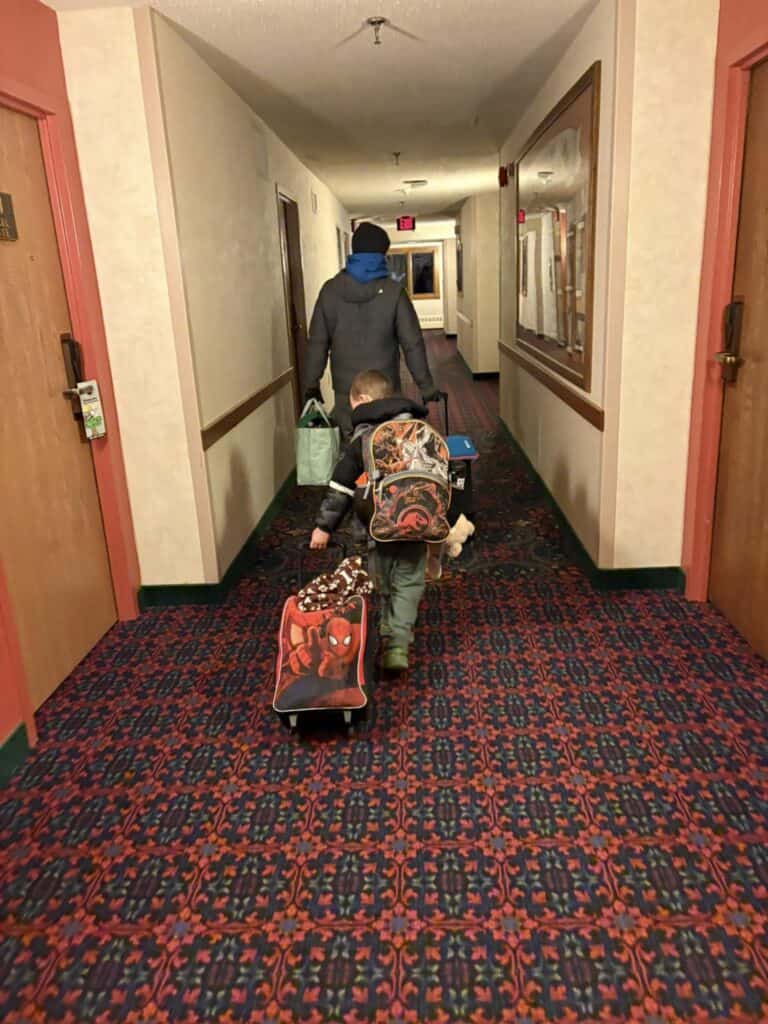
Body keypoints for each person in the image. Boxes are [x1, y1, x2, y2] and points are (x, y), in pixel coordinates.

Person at [309, 369, 431, 672]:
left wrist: (323, 527)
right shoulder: (419, 430)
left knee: (383, 582)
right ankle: (399, 642)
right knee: (410, 580)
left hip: (376, 528)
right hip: (418, 524)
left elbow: (340, 488)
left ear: (362, 400)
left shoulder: (363, 439)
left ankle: (388, 631)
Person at [303, 222, 440, 438]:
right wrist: (426, 387)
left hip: (347, 393)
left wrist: (311, 383)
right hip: (385, 390)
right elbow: (412, 344)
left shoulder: (329, 291)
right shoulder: (395, 293)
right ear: (382, 254)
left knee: (351, 450)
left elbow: (317, 342)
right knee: (386, 447)